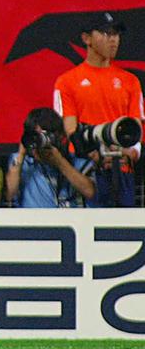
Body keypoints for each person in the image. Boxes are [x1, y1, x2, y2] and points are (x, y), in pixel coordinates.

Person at [53, 12, 143, 207]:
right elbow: (69, 129)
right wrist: (95, 153)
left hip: (122, 169)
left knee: (122, 231)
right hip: (86, 169)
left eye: (116, 34)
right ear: (87, 39)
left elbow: (136, 127)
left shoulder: (130, 81)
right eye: (105, 33)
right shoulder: (67, 82)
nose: (113, 40)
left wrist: (128, 153)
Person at [6, 108, 95, 208]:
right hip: (35, 221)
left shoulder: (79, 163)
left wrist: (60, 162)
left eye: (42, 136)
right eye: (36, 136)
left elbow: (90, 192)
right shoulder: (23, 163)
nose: (39, 142)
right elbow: (9, 195)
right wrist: (21, 153)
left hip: (71, 221)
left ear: (59, 136)